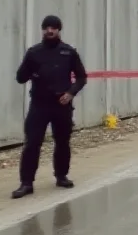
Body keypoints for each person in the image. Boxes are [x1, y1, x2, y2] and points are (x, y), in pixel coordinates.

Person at [12, 15, 88, 199]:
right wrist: (28, 68)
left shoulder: (68, 52)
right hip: (39, 105)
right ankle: (26, 183)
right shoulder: (34, 53)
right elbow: (21, 78)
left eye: (54, 27)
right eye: (47, 27)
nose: (50, 30)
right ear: (43, 30)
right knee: (32, 143)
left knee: (62, 142)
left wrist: (70, 93)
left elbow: (81, 77)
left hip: (61, 105)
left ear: (59, 30)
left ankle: (61, 176)